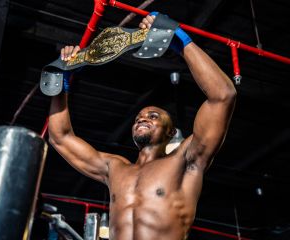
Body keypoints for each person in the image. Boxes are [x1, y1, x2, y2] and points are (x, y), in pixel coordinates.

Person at [48, 13, 236, 240]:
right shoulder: (114, 168)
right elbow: (60, 137)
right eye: (139, 117)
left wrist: (182, 44)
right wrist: (61, 82)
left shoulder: (186, 160)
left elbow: (223, 96)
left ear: (170, 132)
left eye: (154, 116)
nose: (142, 118)